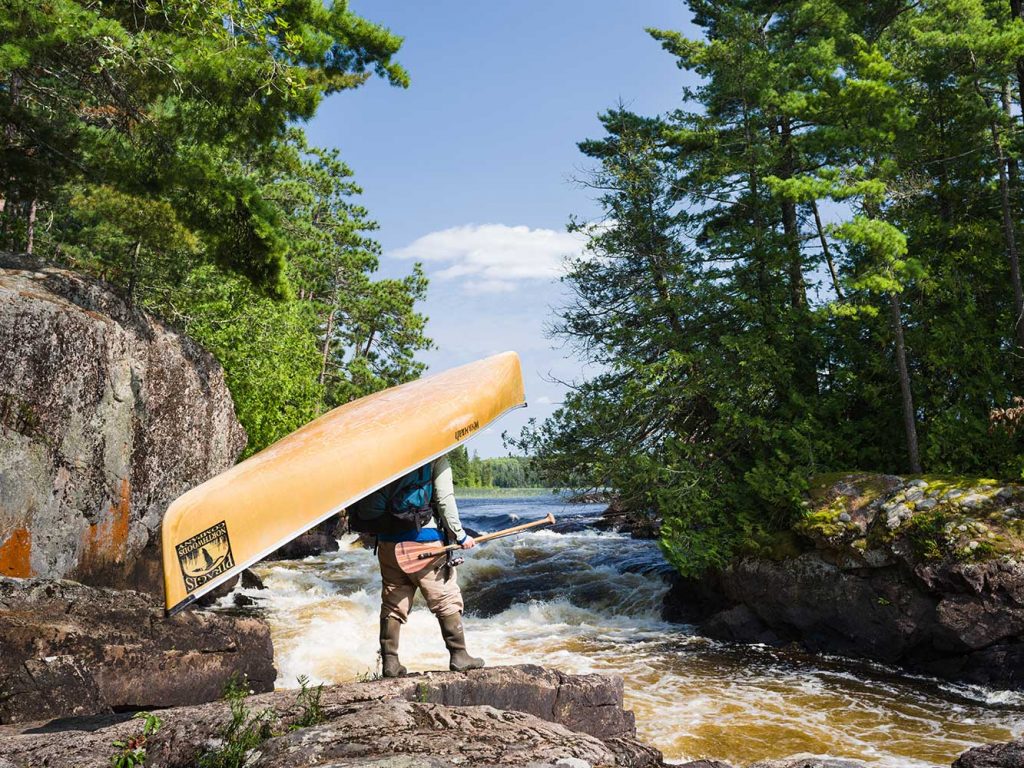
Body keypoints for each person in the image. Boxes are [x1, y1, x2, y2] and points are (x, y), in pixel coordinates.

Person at [373, 454, 484, 678]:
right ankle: (459, 655)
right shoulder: (435, 456)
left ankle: (390, 663)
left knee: (393, 602)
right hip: (424, 539)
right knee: (445, 597)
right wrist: (460, 535)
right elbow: (444, 499)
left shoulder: (385, 453)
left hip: (386, 541)